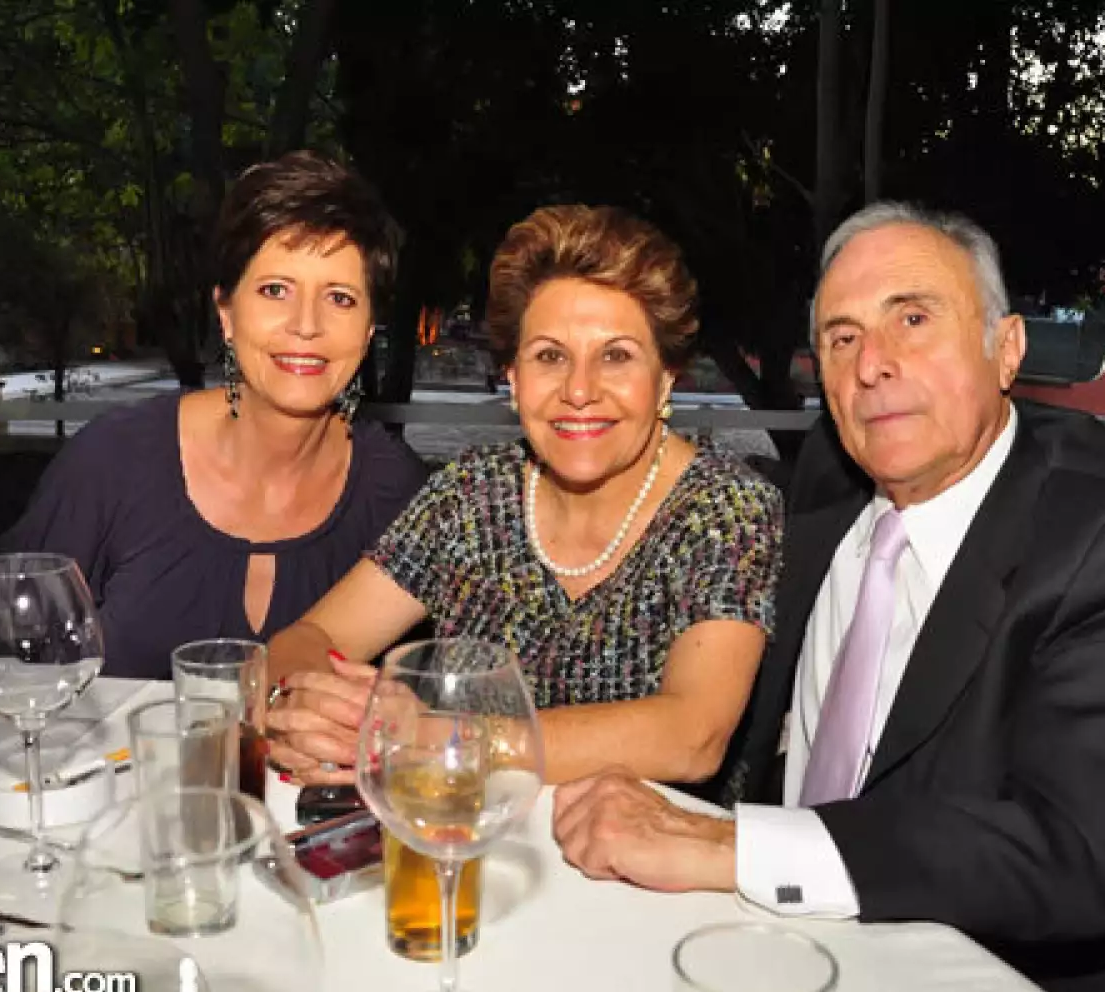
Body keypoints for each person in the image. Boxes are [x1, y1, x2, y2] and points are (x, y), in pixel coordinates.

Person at [552, 203, 1105, 992]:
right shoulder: (832, 475)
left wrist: (734, 845)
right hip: (800, 972)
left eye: (913, 318)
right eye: (840, 338)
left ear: (1008, 348)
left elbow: (1067, 853)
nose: (872, 365)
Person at [0, 152, 430, 678]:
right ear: (226, 313)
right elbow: (2, 598)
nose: (306, 324)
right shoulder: (122, 459)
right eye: (275, 290)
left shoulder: (398, 490)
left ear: (369, 327)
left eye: (340, 297)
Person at [264, 204, 782, 791]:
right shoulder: (472, 496)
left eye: (616, 356)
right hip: (465, 840)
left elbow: (691, 736)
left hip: (646, 872)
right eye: (550, 356)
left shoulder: (725, 509)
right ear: (513, 379)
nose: (579, 390)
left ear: (665, 379)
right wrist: (305, 705)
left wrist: (431, 739)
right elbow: (308, 639)